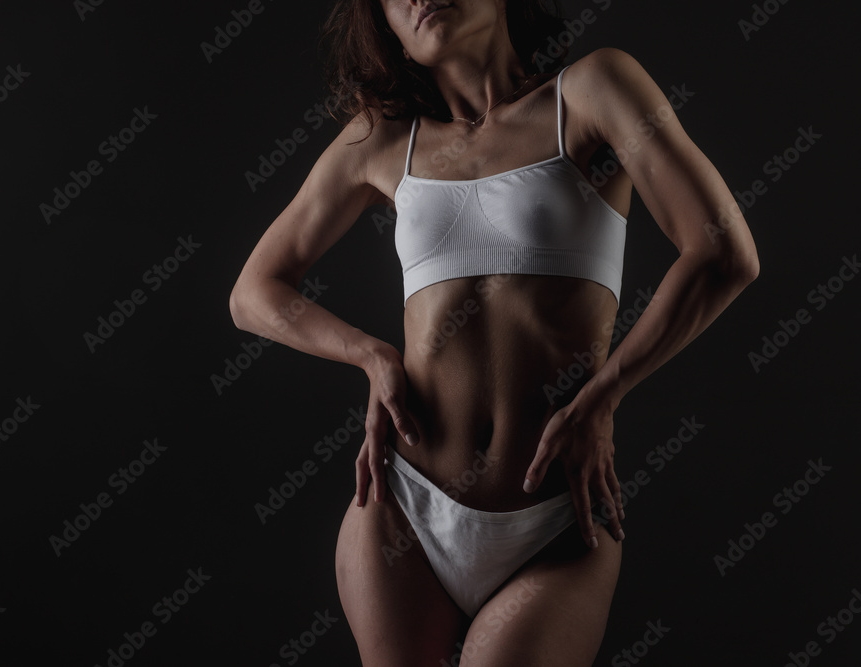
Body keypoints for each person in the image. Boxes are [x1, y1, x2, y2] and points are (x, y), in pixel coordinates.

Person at [229, 0, 759, 663]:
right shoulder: (386, 140)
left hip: (556, 519)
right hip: (405, 508)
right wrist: (371, 355)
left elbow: (724, 252)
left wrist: (605, 395)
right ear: (383, 24)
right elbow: (252, 293)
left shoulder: (595, 89)